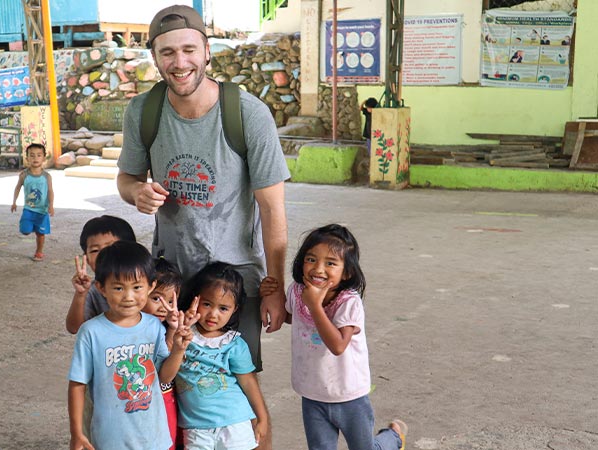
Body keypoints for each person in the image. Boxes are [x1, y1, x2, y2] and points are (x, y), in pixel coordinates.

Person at [116, 4, 291, 377]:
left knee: (236, 394)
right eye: (168, 52)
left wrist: (275, 286)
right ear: (155, 58)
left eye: (189, 50)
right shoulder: (142, 111)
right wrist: (137, 193)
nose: (180, 62)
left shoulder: (248, 114)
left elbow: (273, 210)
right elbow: (126, 179)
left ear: (207, 51)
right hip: (169, 284)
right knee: (171, 385)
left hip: (234, 285)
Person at [261, 224, 408, 450]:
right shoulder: (298, 292)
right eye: (311, 259)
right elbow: (294, 317)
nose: (318, 269)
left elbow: (338, 345)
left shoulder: (349, 302)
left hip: (350, 395)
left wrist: (315, 306)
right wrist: (269, 294)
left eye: (330, 263)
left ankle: (393, 437)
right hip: (312, 393)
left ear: (347, 272)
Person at [67, 241, 193, 450]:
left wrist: (179, 350)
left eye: (137, 287)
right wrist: (76, 433)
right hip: (110, 440)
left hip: (154, 437)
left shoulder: (154, 326)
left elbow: (164, 377)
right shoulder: (91, 332)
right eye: (118, 288)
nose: (128, 297)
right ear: (101, 288)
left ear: (150, 287)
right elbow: (77, 385)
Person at [174, 262, 269, 450]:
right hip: (196, 428)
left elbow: (249, 382)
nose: (213, 314)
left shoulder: (234, 343)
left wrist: (262, 418)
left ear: (234, 309)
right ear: (195, 299)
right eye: (207, 304)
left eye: (223, 308)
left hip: (234, 423)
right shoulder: (181, 335)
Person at [66, 215, 137, 334]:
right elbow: (74, 328)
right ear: (87, 259)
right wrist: (80, 294)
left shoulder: (145, 282)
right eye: (95, 250)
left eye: (111, 247)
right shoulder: (92, 290)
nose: (103, 255)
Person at [142, 258, 184, 450]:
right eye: (156, 298)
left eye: (170, 301)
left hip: (165, 398)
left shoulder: (164, 328)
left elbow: (166, 367)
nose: (164, 307)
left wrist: (173, 329)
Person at [11, 143, 54, 261]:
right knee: (25, 230)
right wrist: (14, 202)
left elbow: (50, 191)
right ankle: (30, 226)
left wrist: (51, 205)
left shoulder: (47, 176)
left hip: (42, 210)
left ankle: (39, 252)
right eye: (32, 155)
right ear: (27, 158)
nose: (35, 158)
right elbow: (17, 187)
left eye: (39, 155)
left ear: (44, 158)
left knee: (40, 233)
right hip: (29, 209)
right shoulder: (24, 175)